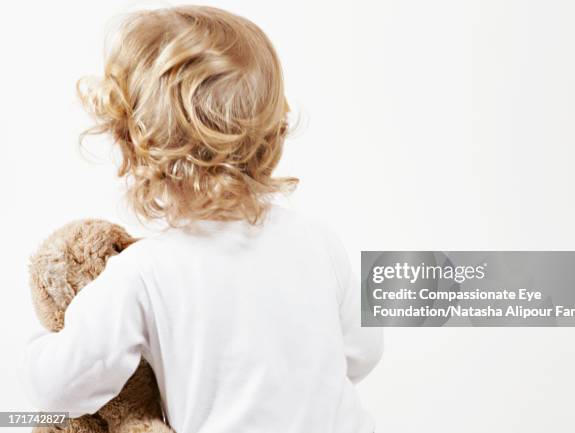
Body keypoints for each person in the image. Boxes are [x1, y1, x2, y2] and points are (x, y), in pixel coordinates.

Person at [22, 5, 383, 433]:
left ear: (132, 146)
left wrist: (37, 350)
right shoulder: (319, 240)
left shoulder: (141, 272)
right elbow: (363, 352)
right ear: (271, 134)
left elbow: (63, 387)